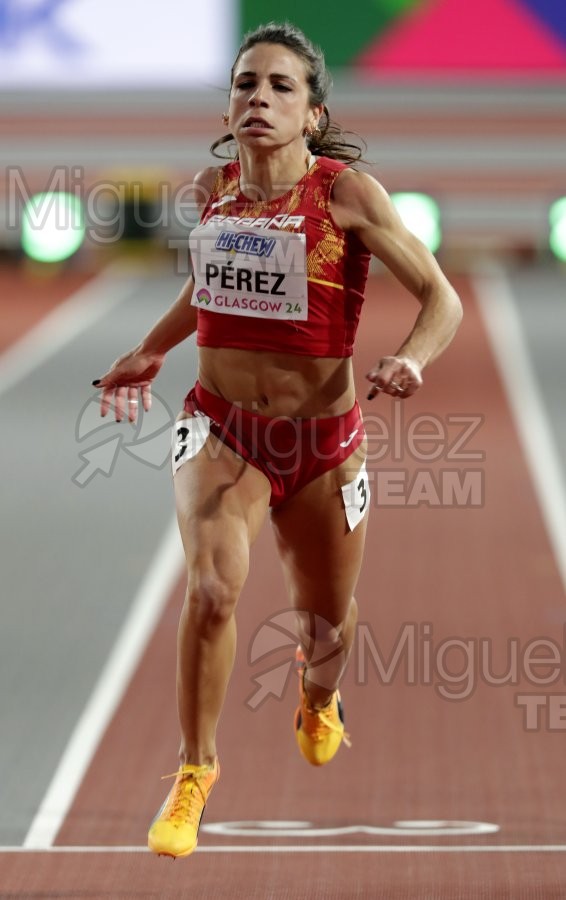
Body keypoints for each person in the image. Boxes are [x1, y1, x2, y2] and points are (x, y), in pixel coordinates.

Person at [92, 21, 462, 859]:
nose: (258, 97)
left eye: (279, 86)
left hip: (325, 444)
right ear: (229, 103)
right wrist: (151, 349)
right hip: (222, 430)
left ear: (314, 114)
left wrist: (411, 358)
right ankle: (195, 774)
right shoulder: (213, 188)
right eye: (245, 83)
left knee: (326, 621)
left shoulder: (347, 195)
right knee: (214, 589)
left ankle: (320, 695)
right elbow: (208, 287)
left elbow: (444, 299)